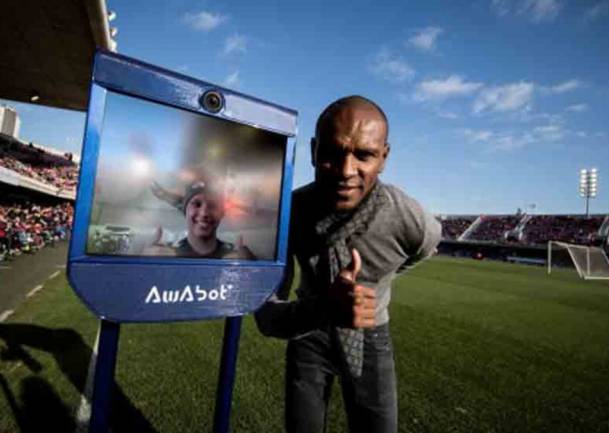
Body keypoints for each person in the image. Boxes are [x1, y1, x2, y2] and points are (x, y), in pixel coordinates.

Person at [255, 95, 441, 433]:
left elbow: (424, 249)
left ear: (384, 157)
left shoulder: (409, 219)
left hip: (372, 335)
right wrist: (325, 306)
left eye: (364, 155)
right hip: (308, 334)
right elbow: (267, 318)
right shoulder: (291, 213)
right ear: (313, 150)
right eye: (331, 153)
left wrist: (380, 284)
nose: (345, 171)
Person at [148, 181, 255, 259]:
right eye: (197, 204)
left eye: (212, 205)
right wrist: (146, 263)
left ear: (221, 214)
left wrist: (244, 268)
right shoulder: (164, 255)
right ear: (186, 211)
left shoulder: (238, 256)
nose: (204, 213)